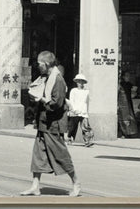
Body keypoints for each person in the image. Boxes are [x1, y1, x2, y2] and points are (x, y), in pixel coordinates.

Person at [21, 51, 81, 197]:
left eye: (40, 64)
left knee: (60, 154)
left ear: (46, 64)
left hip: (53, 124)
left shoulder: (58, 80)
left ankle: (76, 182)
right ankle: (35, 186)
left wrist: (40, 99)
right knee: (38, 155)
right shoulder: (45, 77)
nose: (38, 66)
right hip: (43, 123)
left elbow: (57, 103)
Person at [66, 74, 94, 147]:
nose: (80, 83)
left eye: (82, 82)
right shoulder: (73, 91)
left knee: (85, 127)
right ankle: (70, 139)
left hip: (83, 112)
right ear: (76, 82)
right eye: (79, 82)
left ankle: (88, 141)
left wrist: (86, 111)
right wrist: (73, 109)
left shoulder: (86, 91)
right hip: (75, 111)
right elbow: (71, 101)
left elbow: (87, 102)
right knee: (72, 127)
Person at [118, 71, 138, 138]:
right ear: (123, 77)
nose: (128, 77)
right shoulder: (120, 84)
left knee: (130, 118)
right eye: (127, 76)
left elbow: (133, 95)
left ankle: (130, 133)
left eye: (129, 76)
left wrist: (134, 92)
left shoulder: (130, 85)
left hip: (129, 103)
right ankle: (123, 133)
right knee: (123, 118)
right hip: (122, 104)